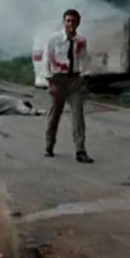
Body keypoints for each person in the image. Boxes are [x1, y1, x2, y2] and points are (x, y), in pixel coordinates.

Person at [43, 9, 94, 163]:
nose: (71, 24)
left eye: (74, 21)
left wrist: (84, 77)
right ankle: (49, 145)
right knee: (54, 114)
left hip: (75, 80)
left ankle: (80, 150)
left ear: (78, 22)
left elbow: (84, 58)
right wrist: (50, 82)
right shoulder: (54, 39)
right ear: (63, 22)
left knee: (78, 115)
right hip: (58, 79)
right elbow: (47, 59)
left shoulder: (81, 41)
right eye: (68, 21)